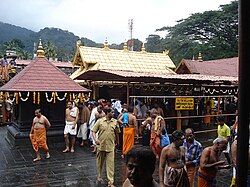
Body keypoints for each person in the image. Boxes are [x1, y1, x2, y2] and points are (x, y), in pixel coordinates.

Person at [92, 107, 120, 187]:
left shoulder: (115, 122)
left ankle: (110, 182)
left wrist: (117, 142)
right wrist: (95, 140)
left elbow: (117, 133)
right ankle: (99, 175)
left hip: (111, 146)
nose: (113, 114)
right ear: (107, 113)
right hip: (101, 145)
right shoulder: (100, 121)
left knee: (110, 164)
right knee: (100, 162)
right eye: (112, 112)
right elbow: (93, 131)